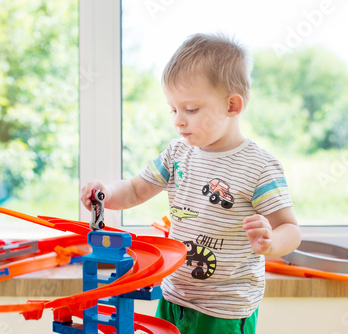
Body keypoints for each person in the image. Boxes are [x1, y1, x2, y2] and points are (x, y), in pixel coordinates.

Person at [81, 32, 301, 334]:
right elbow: (134, 190)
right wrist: (105, 193)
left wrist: (271, 242)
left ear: (232, 106)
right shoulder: (177, 153)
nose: (178, 121)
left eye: (191, 109)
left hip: (223, 310)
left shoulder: (260, 166)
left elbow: (290, 229)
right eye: (173, 109)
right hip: (174, 297)